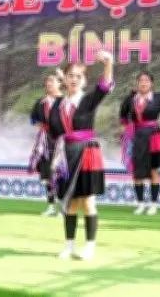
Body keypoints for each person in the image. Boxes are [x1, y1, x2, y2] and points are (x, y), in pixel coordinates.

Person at [48, 51, 113, 260]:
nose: (74, 79)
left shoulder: (88, 100)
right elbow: (55, 130)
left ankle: (90, 246)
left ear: (84, 80)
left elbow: (105, 86)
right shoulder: (59, 104)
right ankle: (69, 246)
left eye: (79, 76)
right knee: (71, 203)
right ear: (65, 79)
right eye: (71, 76)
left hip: (86, 153)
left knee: (87, 201)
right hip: (67, 155)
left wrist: (108, 63)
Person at [120, 61, 160, 216]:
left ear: (151, 84)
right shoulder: (130, 99)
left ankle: (154, 204)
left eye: (146, 80)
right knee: (137, 171)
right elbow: (123, 117)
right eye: (141, 80)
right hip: (136, 137)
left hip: (153, 137)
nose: (143, 83)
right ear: (137, 83)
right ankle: (140, 204)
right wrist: (127, 132)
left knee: (153, 170)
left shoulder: (158, 98)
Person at [30, 71, 63, 217]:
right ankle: (51, 206)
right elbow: (33, 119)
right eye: (47, 81)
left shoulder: (64, 101)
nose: (49, 84)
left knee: (61, 173)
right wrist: (43, 127)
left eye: (52, 81)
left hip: (61, 140)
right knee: (48, 175)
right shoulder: (41, 102)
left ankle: (63, 207)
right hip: (45, 141)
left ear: (59, 83)